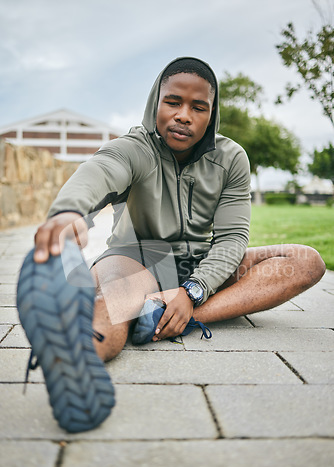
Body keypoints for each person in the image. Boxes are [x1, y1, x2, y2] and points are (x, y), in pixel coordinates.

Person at [17, 57, 325, 433]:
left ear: (211, 114)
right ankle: (70, 358)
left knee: (304, 261)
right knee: (110, 309)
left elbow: (230, 239)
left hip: (204, 265)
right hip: (138, 258)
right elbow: (100, 170)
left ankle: (161, 314)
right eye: (173, 102)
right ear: (155, 102)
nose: (184, 115)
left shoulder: (231, 158)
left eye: (199, 107)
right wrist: (67, 213)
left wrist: (192, 292)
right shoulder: (134, 148)